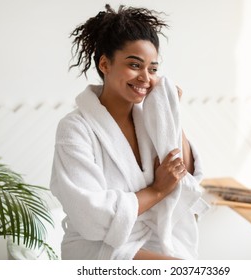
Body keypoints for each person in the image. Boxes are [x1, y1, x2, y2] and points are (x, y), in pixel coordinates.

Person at [50, 4, 205, 260]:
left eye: (153, 69)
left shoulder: (150, 120)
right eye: (135, 65)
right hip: (99, 249)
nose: (145, 77)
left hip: (151, 238)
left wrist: (172, 114)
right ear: (105, 64)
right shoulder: (75, 129)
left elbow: (184, 176)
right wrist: (157, 190)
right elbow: (92, 216)